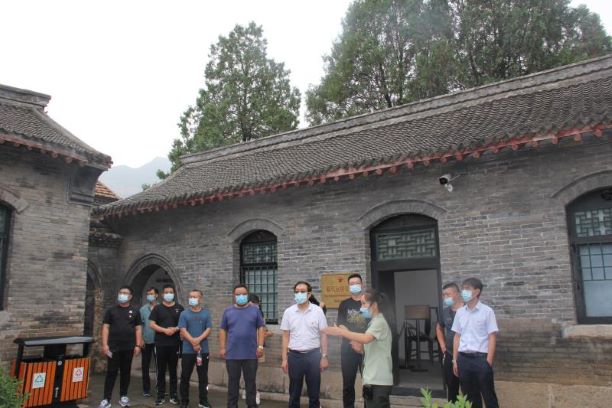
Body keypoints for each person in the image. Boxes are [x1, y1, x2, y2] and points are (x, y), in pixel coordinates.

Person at [324, 288, 393, 408]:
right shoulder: (374, 322)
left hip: (378, 379)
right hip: (372, 378)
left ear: (374, 305)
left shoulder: (379, 322)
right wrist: (361, 349)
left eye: (364, 304)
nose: (361, 308)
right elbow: (374, 347)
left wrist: (341, 332)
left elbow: (366, 338)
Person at [452, 278, 499, 408]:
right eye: (463, 289)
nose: (464, 292)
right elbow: (457, 336)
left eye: (467, 289)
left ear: (477, 291)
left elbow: (492, 336)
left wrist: (488, 361)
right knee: (470, 397)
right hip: (463, 359)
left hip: (481, 359)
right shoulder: (460, 312)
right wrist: (455, 360)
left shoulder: (487, 311)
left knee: (488, 395)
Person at [280, 281, 329, 408]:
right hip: (294, 356)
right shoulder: (289, 312)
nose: (299, 294)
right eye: (297, 292)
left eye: (302, 291)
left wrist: (324, 356)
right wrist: (284, 359)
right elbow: (285, 336)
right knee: (294, 393)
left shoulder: (318, 311)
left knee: (314, 393)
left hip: (314, 356)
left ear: (309, 294)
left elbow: (323, 335)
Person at [219, 284, 265, 408]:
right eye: (238, 294)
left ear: (247, 295)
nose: (241, 296)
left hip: (251, 354)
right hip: (232, 354)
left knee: (250, 383)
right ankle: (232, 405)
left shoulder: (255, 310)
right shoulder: (228, 311)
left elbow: (261, 327)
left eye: (244, 294)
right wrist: (222, 348)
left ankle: (252, 405)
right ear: (234, 296)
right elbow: (223, 330)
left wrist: (260, 346)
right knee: (233, 383)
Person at [99, 286, 143, 408]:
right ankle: (106, 399)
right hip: (113, 347)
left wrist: (138, 345)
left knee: (125, 372)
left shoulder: (135, 311)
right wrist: (105, 344)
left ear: (130, 296)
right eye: (121, 292)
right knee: (111, 372)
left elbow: (138, 329)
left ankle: (123, 396)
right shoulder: (111, 310)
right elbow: (105, 327)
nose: (122, 295)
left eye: (125, 293)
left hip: (128, 347)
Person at [336, 273, 368, 408]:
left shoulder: (367, 303)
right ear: (348, 286)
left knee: (368, 383)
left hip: (367, 349)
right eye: (351, 284)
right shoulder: (344, 304)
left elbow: (373, 324)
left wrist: (362, 343)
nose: (354, 285)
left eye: (357, 283)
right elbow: (341, 325)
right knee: (348, 384)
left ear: (362, 284)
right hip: (348, 349)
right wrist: (354, 340)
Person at [150, 284, 184, 405]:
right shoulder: (157, 308)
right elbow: (152, 324)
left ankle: (174, 395)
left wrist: (175, 329)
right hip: (160, 344)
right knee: (161, 370)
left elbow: (183, 324)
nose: (168, 294)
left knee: (173, 370)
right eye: (166, 292)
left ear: (174, 294)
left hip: (175, 344)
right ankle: (160, 395)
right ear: (162, 294)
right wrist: (164, 330)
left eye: (171, 292)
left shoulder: (180, 308)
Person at [179, 289, 213, 408]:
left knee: (203, 377)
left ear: (201, 299)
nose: (192, 299)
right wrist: (193, 341)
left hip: (203, 351)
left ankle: (203, 401)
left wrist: (198, 340)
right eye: (191, 296)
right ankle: (184, 401)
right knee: (185, 376)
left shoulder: (206, 314)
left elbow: (208, 329)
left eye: (195, 297)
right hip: (187, 351)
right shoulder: (184, 314)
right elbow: (183, 329)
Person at [435, 282, 463, 402]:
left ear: (457, 294)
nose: (445, 297)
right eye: (444, 295)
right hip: (450, 354)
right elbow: (438, 327)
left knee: (469, 389)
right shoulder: (445, 312)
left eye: (448, 294)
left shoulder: (467, 310)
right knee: (451, 388)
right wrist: (442, 344)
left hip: (466, 356)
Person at [140, 287, 159, 397]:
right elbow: (140, 325)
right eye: (148, 294)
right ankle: (146, 389)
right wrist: (140, 339)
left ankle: (159, 386)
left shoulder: (161, 308)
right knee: (145, 365)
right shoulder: (143, 309)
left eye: (151, 294)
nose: (149, 296)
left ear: (156, 295)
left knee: (159, 365)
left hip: (159, 341)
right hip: (146, 340)